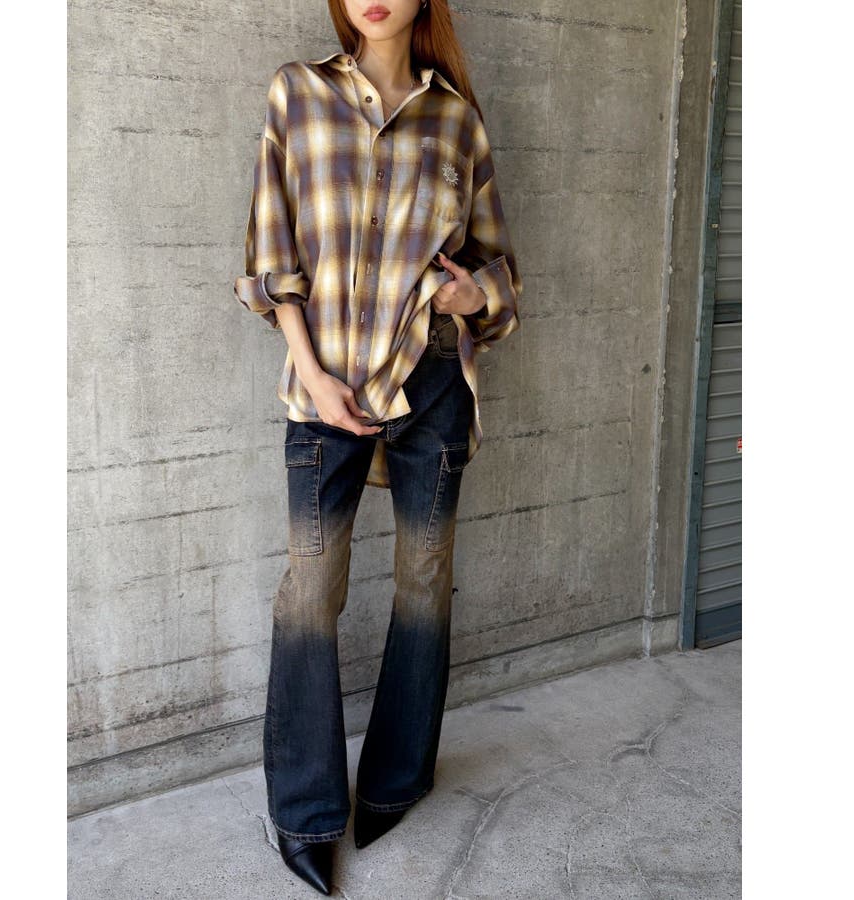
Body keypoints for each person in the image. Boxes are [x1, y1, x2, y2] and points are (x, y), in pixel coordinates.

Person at [233, 1, 522, 893]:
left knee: (424, 579)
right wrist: (312, 373)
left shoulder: (457, 120)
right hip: (324, 383)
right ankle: (306, 810)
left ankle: (396, 779)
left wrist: (472, 296)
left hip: (430, 379)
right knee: (310, 589)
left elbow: (501, 271)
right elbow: (270, 252)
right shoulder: (298, 93)